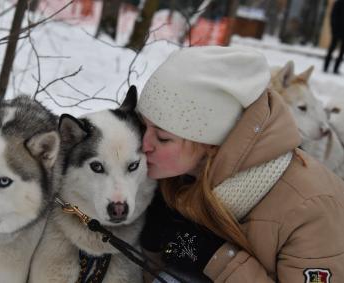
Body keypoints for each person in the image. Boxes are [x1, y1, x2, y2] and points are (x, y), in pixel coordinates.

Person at [137, 46, 344, 282]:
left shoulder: (311, 207)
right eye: (144, 127)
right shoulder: (179, 175)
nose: (144, 145)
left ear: (210, 143)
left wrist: (217, 259)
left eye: (162, 137)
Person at [324, 0, 344, 74]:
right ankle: (325, 67)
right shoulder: (338, 3)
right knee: (331, 49)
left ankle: (336, 69)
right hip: (336, 31)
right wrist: (333, 29)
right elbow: (333, 16)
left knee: (341, 52)